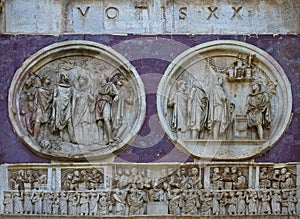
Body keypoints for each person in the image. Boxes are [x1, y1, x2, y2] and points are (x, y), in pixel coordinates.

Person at [51, 73, 76, 143]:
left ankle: (72, 138)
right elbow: (54, 99)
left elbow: (73, 99)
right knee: (59, 121)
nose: (67, 77)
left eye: (68, 75)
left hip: (68, 106)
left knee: (69, 121)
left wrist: (73, 110)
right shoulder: (57, 87)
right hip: (59, 105)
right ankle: (60, 138)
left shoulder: (71, 88)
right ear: (62, 77)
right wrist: (53, 112)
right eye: (66, 76)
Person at [73, 75, 97, 145]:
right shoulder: (76, 90)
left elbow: (93, 99)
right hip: (78, 109)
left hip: (86, 108)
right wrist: (76, 97)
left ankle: (86, 140)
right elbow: (74, 100)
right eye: (79, 80)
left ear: (85, 81)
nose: (80, 81)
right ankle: (78, 139)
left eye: (81, 79)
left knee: (85, 123)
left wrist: (89, 96)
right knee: (78, 124)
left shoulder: (88, 89)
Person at [95, 74, 119, 144]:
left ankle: (110, 138)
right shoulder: (98, 89)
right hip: (98, 105)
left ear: (105, 78)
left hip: (106, 103)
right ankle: (102, 140)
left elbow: (117, 94)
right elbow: (95, 98)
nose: (99, 78)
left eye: (100, 76)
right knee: (99, 123)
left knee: (106, 119)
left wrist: (115, 99)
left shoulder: (110, 85)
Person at [209, 75, 229, 139]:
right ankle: (215, 137)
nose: (222, 81)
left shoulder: (214, 88)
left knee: (217, 122)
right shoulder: (218, 88)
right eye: (221, 80)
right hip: (218, 107)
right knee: (218, 122)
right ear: (218, 80)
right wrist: (225, 96)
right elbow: (223, 97)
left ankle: (215, 137)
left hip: (217, 107)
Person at [33, 76, 53, 140]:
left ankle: (45, 138)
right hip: (40, 107)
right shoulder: (38, 89)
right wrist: (34, 107)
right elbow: (36, 99)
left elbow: (50, 99)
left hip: (47, 107)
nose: (49, 81)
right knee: (37, 121)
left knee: (46, 123)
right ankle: (35, 137)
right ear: (44, 80)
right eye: (47, 79)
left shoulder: (49, 91)